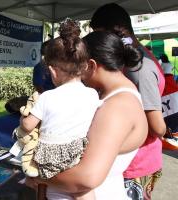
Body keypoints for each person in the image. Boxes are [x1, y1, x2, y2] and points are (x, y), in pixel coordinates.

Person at [25, 30, 148, 199]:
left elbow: (87, 177)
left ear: (90, 65)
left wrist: (38, 175)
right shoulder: (112, 96)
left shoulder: (117, 107)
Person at [89, 4, 166, 199]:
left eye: (100, 36)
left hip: (134, 163)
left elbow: (158, 127)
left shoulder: (137, 68)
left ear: (116, 32)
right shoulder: (136, 58)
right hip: (128, 158)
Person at [21, 19, 101, 199]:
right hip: (77, 159)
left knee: (38, 180)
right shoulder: (93, 95)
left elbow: (27, 126)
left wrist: (23, 117)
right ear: (86, 66)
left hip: (48, 161)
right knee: (85, 192)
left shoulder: (47, 97)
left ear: (52, 71)